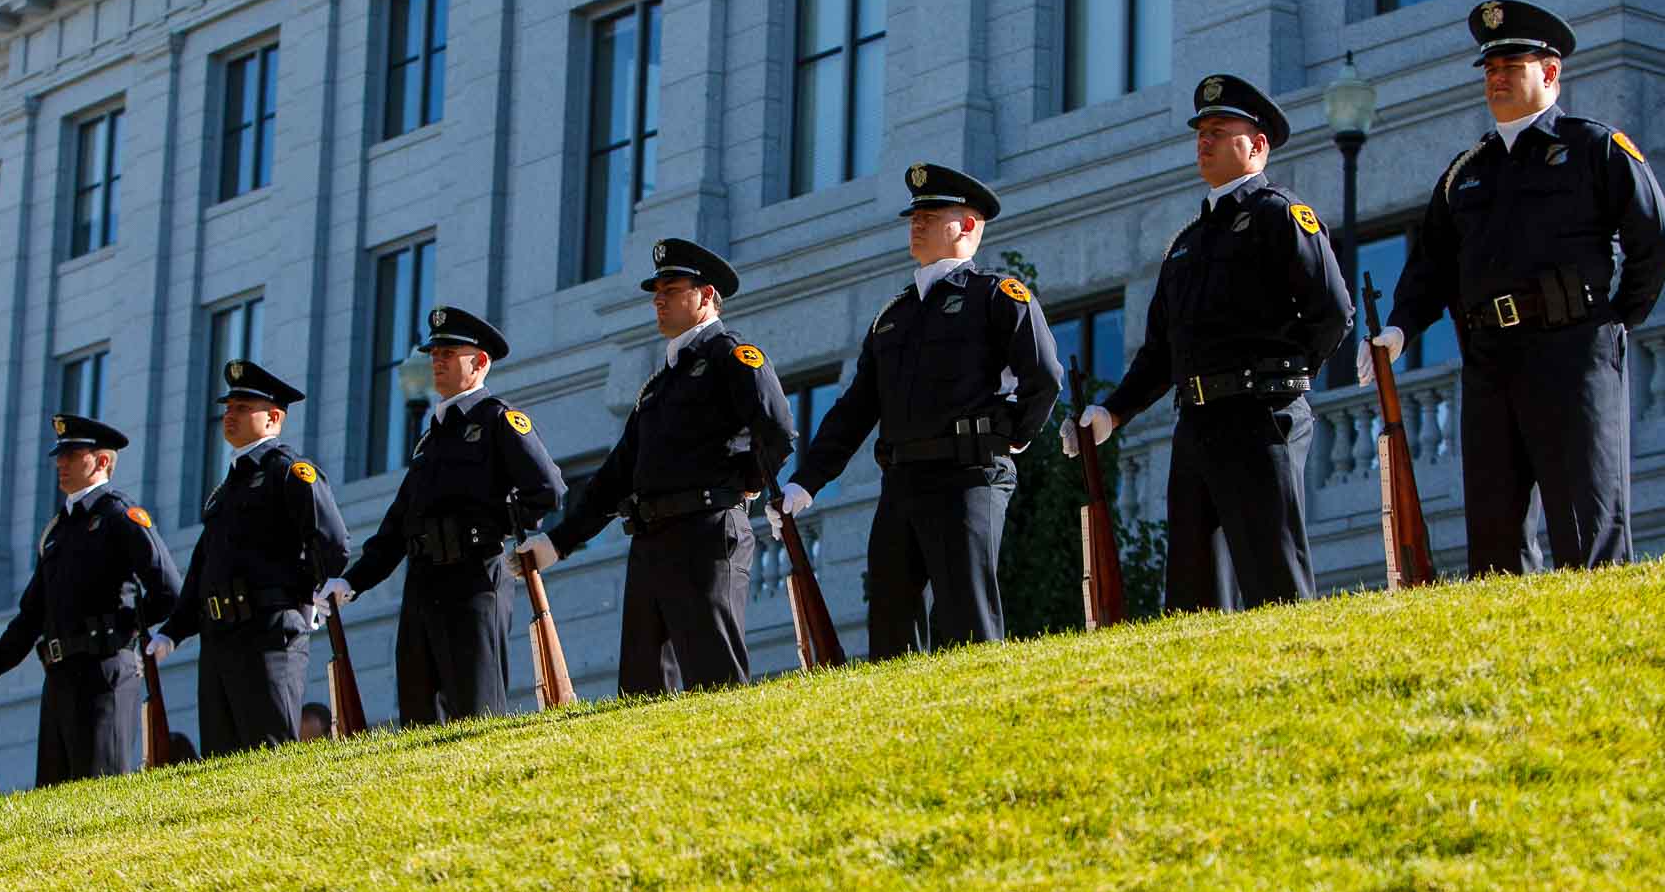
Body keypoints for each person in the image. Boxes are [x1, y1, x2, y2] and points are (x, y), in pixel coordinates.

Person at [1361, 0, 1665, 574]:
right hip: (1490, 360)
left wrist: (1612, 320)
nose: (1497, 78)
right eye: (1489, 68)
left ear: (1551, 71)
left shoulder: (1595, 148)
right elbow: (1430, 266)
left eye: (1511, 65)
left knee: (1586, 522)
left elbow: (1657, 238)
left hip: (1571, 351)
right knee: (1494, 535)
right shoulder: (1466, 171)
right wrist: (1400, 329)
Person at [1063, 75, 1353, 611]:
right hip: (1197, 422)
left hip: (1261, 416)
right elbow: (1158, 353)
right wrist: (1112, 414)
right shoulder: (1186, 244)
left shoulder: (1279, 215)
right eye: (1201, 131)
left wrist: (1283, 378)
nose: (1205, 139)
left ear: (1257, 145)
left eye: (1220, 130)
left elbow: (1332, 311)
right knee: (1194, 591)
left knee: (1274, 575)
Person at [774, 165, 1062, 656]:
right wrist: (807, 480)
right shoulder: (894, 316)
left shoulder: (996, 296)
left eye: (931, 214)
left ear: (968, 225)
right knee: (889, 617)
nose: (917, 223)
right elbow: (856, 408)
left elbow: (1044, 376)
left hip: (967, 475)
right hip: (903, 482)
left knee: (965, 614)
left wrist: (1010, 435)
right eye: (914, 215)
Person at [515, 240, 794, 693]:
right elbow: (615, 476)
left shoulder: (732, 357)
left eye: (671, 289)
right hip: (652, 541)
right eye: (656, 291)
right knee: (643, 687)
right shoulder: (658, 385)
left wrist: (741, 483)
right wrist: (559, 542)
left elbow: (778, 431)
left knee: (714, 676)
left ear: (705, 296)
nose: (658, 300)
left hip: (707, 532)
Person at [316, 307, 565, 722]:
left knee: (476, 708)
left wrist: (500, 527)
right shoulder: (431, 437)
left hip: (474, 578)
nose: (437, 361)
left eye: (448, 353)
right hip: (422, 582)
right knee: (418, 711)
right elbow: (398, 525)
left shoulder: (498, 422)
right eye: (434, 354)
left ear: (479, 362)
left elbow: (548, 489)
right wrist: (352, 581)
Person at [0, 413, 182, 785]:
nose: (61, 463)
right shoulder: (57, 531)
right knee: (55, 801)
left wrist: (125, 633)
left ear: (102, 461)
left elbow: (169, 590)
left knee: (98, 794)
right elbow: (30, 618)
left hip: (105, 674)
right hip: (58, 678)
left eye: (73, 454)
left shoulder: (120, 516)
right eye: (61, 454)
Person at [147, 360, 350, 756]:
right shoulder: (226, 489)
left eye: (242, 408)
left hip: (270, 632)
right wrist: (173, 630)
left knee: (269, 748)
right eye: (228, 407)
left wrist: (309, 595)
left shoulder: (289, 472)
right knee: (223, 758)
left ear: (274, 418)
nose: (229, 415)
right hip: (220, 637)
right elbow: (204, 569)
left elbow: (334, 542)